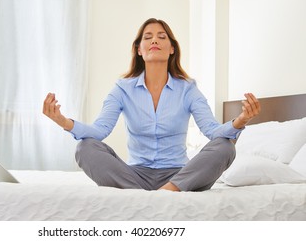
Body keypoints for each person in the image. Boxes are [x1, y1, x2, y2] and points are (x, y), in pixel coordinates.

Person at [43, 18, 261, 192]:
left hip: (179, 175)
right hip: (134, 175)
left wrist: (241, 120)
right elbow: (99, 131)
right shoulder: (122, 89)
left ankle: (167, 191)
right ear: (139, 49)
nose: (154, 40)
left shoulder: (188, 89)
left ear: (172, 48)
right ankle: (155, 193)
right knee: (85, 147)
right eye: (148, 37)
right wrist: (63, 121)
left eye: (161, 36)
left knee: (224, 146)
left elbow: (213, 131)